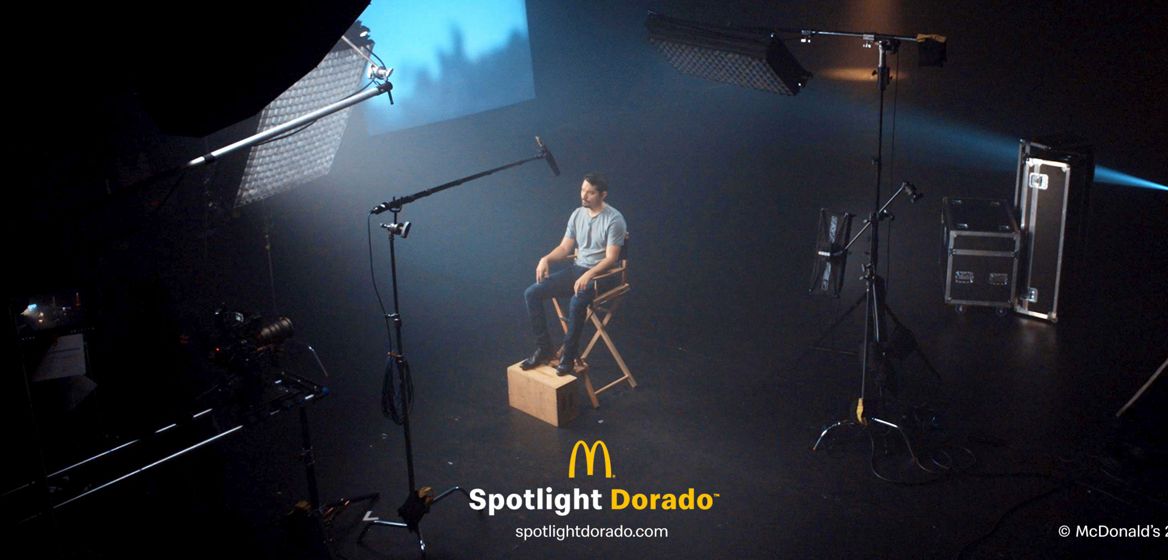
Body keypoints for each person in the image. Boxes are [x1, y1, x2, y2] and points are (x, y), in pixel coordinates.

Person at [522, 173, 627, 375]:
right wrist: (546, 259)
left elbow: (611, 258)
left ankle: (568, 356)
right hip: (578, 270)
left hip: (602, 276)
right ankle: (544, 348)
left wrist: (590, 274)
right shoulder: (577, 214)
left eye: (590, 192)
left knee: (577, 302)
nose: (584, 196)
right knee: (532, 293)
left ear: (603, 194)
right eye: (582, 190)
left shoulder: (615, 219)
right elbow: (564, 248)